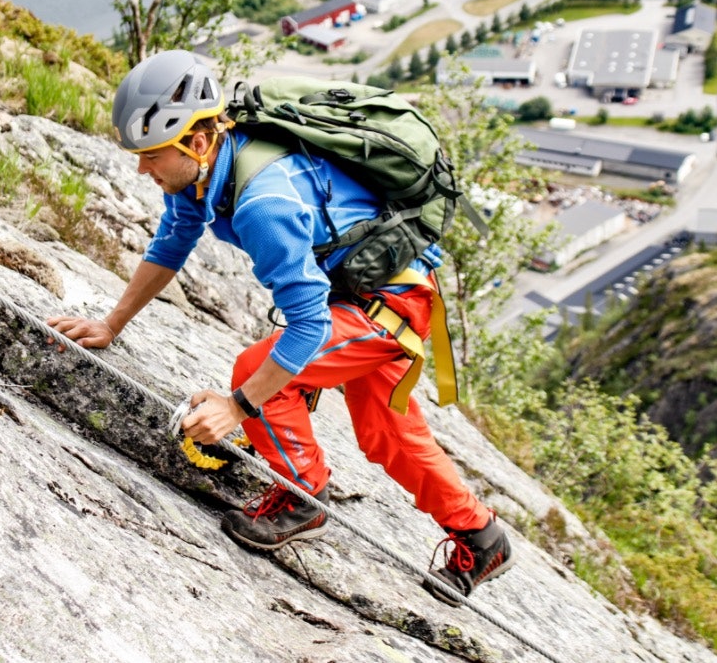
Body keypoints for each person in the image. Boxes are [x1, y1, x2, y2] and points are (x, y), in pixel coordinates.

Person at [47, 50, 515, 605]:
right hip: (377, 292)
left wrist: (238, 407)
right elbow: (172, 243)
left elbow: (308, 328)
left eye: (150, 157)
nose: (142, 171)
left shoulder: (262, 204)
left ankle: (301, 496)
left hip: (386, 306)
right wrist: (110, 323)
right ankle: (483, 537)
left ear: (197, 142)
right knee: (387, 433)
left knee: (257, 374)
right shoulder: (211, 169)